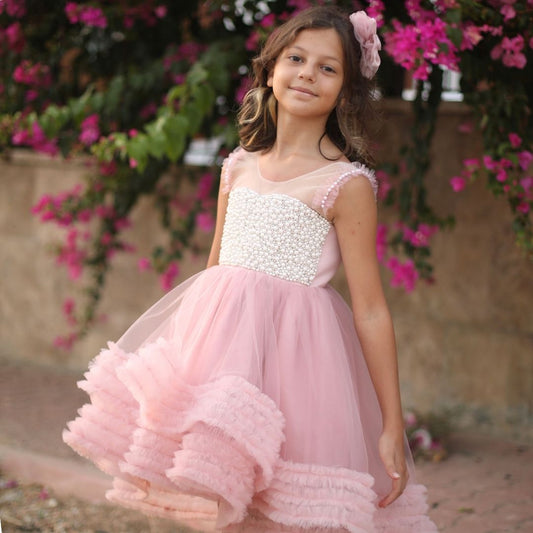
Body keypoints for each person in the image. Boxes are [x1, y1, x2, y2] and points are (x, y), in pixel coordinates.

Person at [64, 6, 438, 532]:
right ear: (270, 70)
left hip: (302, 364)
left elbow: (372, 310)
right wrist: (185, 366)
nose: (308, 73)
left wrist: (391, 422)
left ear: (346, 91)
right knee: (228, 496)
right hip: (226, 360)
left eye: (328, 68)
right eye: (297, 58)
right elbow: (215, 267)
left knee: (287, 506)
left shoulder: (346, 184)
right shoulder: (238, 165)